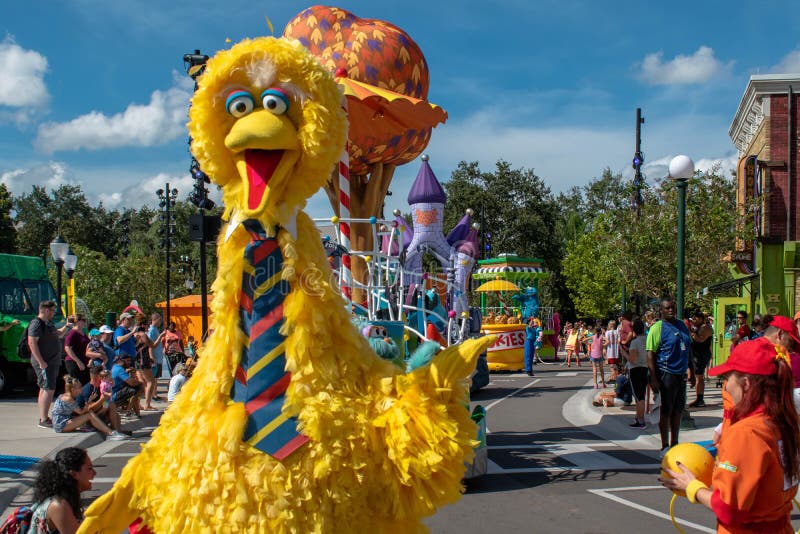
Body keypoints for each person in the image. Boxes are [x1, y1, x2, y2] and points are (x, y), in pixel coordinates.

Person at [660, 337, 800, 533]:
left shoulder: (746, 432)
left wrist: (692, 487)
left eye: (727, 378)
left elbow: (730, 510)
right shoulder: (784, 421)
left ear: (746, 384)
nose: (725, 387)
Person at [646, 297, 693, 457]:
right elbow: (650, 353)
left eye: (673, 307)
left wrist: (691, 370)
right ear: (661, 310)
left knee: (678, 410)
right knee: (665, 410)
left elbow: (688, 348)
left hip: (680, 374)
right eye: (667, 308)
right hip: (665, 373)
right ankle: (664, 445)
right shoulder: (657, 328)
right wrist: (653, 377)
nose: (671, 310)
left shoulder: (682, 326)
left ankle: (675, 442)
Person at [30, 447, 95, 534]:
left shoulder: (66, 500)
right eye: (89, 468)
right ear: (74, 474)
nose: (94, 473)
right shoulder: (59, 506)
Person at [29, 300, 73, 429]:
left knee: (46, 388)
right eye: (53, 311)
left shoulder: (48, 323)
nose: (54, 313)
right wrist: (41, 362)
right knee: (48, 389)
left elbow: (58, 334)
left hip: (51, 362)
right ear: (46, 310)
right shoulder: (37, 323)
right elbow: (32, 343)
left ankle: (44, 417)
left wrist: (68, 326)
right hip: (44, 362)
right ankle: (44, 419)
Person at [50, 376, 128, 440]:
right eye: (80, 387)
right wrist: (90, 401)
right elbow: (81, 412)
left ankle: (114, 431)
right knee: (89, 415)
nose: (82, 388)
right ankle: (111, 434)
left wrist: (89, 403)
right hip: (61, 424)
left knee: (92, 413)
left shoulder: (68, 395)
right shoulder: (68, 398)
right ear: (73, 389)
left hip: (64, 421)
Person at [75, 365, 124, 434]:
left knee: (116, 414)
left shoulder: (101, 385)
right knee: (111, 405)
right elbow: (90, 409)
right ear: (100, 377)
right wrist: (103, 399)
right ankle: (114, 432)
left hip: (98, 413)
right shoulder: (89, 390)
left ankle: (118, 431)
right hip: (88, 418)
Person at [133, 314, 164, 411]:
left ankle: (138, 404)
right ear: (143, 325)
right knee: (151, 381)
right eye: (147, 324)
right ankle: (147, 404)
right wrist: (161, 336)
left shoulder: (134, 334)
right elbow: (153, 345)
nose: (148, 326)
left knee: (141, 383)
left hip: (137, 360)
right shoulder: (143, 335)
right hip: (144, 360)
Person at [688, 311, 714, 408]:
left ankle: (700, 399)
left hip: (701, 354)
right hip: (695, 354)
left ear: (702, 319)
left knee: (699, 376)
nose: (694, 320)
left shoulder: (705, 327)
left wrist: (692, 332)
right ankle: (698, 398)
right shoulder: (698, 327)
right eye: (694, 318)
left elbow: (700, 339)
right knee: (697, 375)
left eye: (697, 318)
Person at [626, 319, 648, 428]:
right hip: (646, 368)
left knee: (639, 397)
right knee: (641, 394)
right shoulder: (648, 339)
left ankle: (641, 419)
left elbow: (632, 359)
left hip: (636, 369)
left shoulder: (635, 342)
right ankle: (638, 417)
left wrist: (623, 352)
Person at [111, 353, 142, 418]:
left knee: (135, 392)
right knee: (139, 387)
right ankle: (128, 411)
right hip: (113, 395)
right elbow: (132, 383)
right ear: (120, 361)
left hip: (113, 393)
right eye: (127, 361)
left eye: (130, 361)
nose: (129, 363)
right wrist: (141, 381)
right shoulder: (120, 370)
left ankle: (137, 414)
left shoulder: (115, 367)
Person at [63, 314, 90, 385]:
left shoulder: (83, 332)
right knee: (77, 385)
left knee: (85, 384)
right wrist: (78, 362)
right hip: (74, 363)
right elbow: (67, 348)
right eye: (83, 320)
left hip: (84, 362)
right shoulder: (72, 333)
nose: (85, 322)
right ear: (77, 321)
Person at [147, 313, 165, 380]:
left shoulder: (156, 329)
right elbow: (150, 345)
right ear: (155, 320)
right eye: (159, 320)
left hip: (158, 358)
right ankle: (153, 391)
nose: (160, 322)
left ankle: (155, 390)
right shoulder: (151, 330)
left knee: (156, 378)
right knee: (153, 379)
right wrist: (151, 357)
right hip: (155, 358)